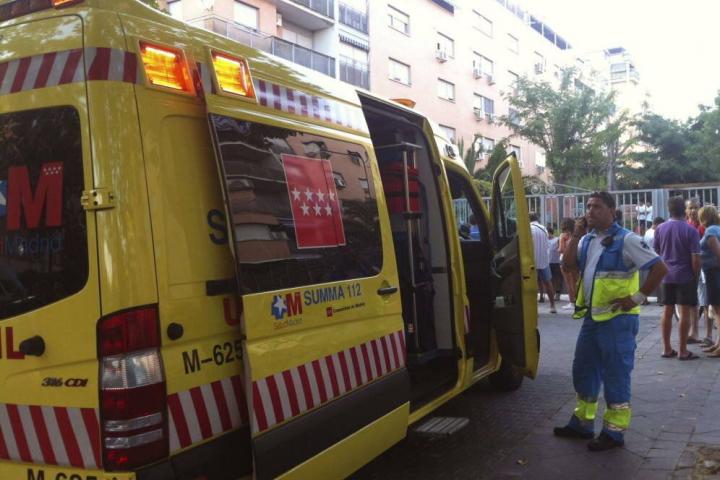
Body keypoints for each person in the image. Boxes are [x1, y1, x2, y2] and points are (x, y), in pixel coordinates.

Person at [554, 191, 666, 451]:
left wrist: (636, 298)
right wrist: (576, 236)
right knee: (583, 369)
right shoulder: (587, 239)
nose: (590, 211)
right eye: (588, 206)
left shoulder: (628, 239)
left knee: (616, 374)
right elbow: (567, 266)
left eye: (597, 206)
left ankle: (613, 432)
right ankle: (582, 423)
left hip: (619, 320)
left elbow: (660, 268)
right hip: (593, 318)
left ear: (612, 211)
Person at [654, 196, 701, 359]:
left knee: (667, 311)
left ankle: (666, 349)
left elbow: (656, 253)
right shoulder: (691, 231)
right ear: (684, 210)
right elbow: (696, 259)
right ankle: (682, 350)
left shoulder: (660, 228)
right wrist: (695, 275)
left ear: (669, 210)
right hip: (685, 276)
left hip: (666, 276)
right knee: (684, 312)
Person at [698, 206, 720, 355]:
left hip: (714, 273)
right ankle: (717, 344)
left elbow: (718, 252)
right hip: (714, 273)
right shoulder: (717, 228)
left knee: (718, 311)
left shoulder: (711, 231)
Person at [687, 198, 706, 343]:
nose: (693, 211)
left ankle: (708, 334)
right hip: (689, 268)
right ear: (686, 210)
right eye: (690, 208)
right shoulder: (685, 226)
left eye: (696, 208)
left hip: (705, 268)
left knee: (706, 300)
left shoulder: (704, 227)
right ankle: (694, 332)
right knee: (692, 301)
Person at [530, 212, 556, 313]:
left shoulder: (529, 228)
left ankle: (533, 309)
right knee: (548, 283)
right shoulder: (543, 228)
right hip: (544, 260)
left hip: (532, 261)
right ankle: (552, 306)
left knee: (532, 286)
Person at [559, 217, 578, 307]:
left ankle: (571, 302)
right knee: (575, 281)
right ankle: (577, 301)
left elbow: (561, 249)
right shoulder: (576, 235)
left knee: (568, 282)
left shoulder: (563, 236)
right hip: (574, 260)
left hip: (565, 260)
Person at [548, 226, 563, 302]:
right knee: (551, 279)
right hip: (548, 262)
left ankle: (558, 293)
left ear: (550, 233)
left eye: (548, 233)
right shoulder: (545, 240)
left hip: (556, 262)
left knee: (557, 278)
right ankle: (553, 292)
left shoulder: (557, 239)